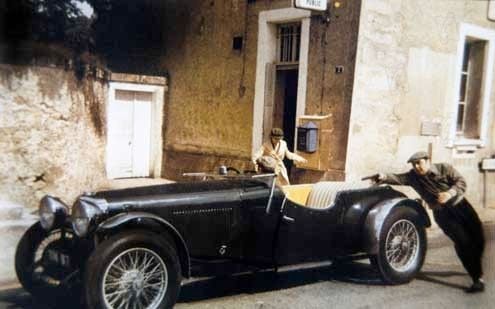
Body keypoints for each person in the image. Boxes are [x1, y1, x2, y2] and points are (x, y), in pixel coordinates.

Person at [376, 151, 485, 293]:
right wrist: (383, 177)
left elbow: (461, 182)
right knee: (462, 242)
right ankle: (477, 278)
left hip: (462, 207)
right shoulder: (413, 177)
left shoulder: (444, 169)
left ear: (428, 161)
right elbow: (398, 178)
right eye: (414, 164)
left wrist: (449, 193)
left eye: (419, 162)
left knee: (478, 238)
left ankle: (475, 261)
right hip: (443, 215)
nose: (417, 167)